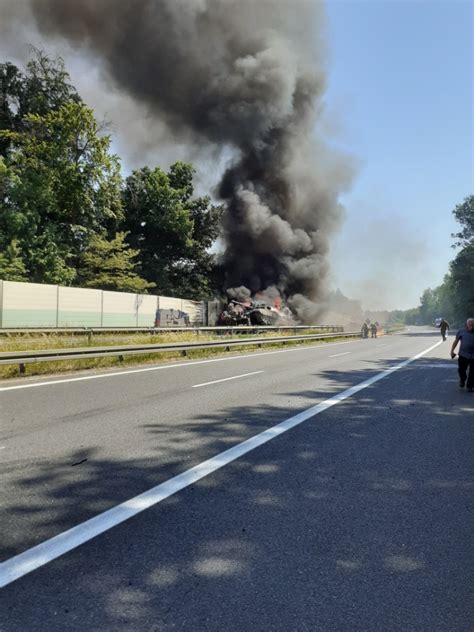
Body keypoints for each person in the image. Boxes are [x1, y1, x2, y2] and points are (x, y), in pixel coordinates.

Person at [450, 318, 474, 392]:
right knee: (461, 370)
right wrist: (452, 351)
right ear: (466, 325)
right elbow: (456, 341)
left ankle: (470, 386)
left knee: (473, 372)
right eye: (470, 325)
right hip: (463, 354)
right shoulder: (461, 331)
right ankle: (463, 379)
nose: (472, 327)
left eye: (473, 325)